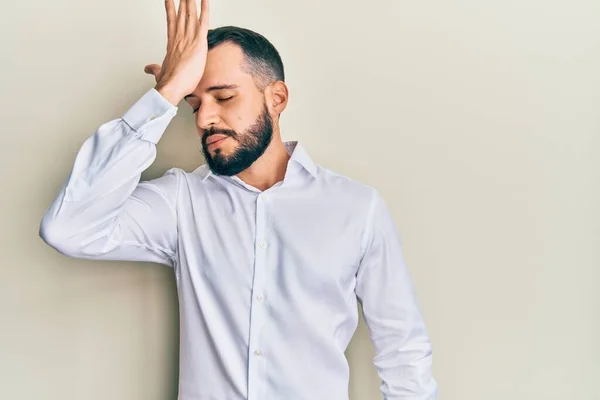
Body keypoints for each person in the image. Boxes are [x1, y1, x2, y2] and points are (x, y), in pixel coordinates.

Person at [39, 0, 438, 399]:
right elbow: (68, 228)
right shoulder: (182, 202)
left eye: (224, 97)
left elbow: (403, 350)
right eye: (193, 104)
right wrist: (165, 95)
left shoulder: (356, 208)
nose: (202, 119)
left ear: (277, 99)